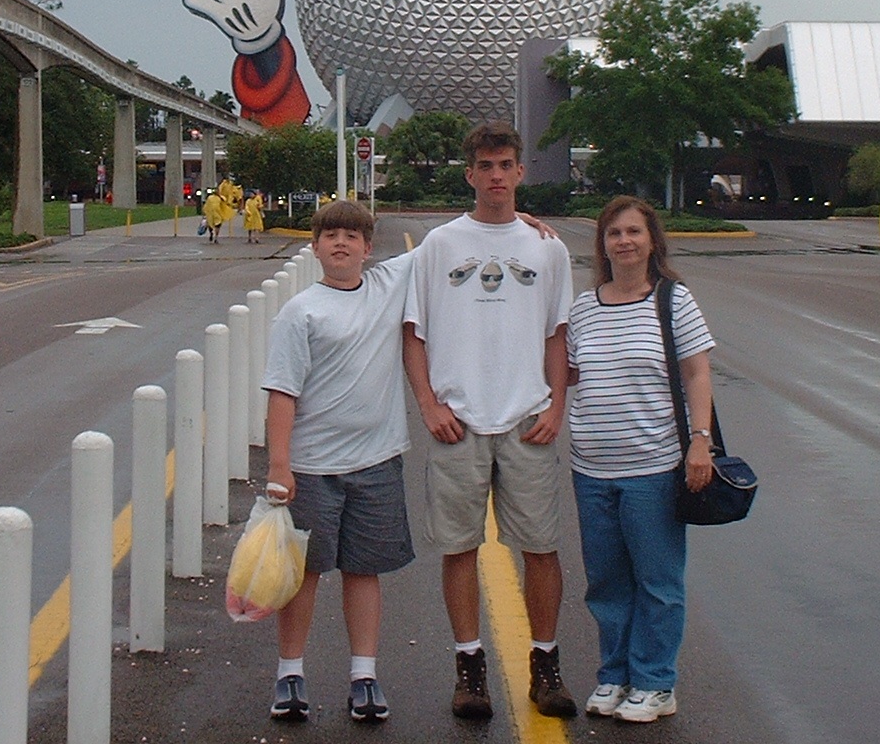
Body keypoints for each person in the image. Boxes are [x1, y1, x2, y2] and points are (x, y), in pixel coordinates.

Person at [403, 121, 577, 720]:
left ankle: (545, 664)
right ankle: (469, 667)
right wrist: (429, 404)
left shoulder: (547, 248)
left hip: (527, 418)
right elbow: (413, 331)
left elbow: (557, 333)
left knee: (542, 548)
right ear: (470, 174)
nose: (497, 176)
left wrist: (556, 405)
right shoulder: (439, 245)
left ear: (520, 171)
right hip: (459, 420)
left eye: (506, 165)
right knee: (459, 548)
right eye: (486, 166)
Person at [262, 200, 415, 723]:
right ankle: (290, 673)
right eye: (331, 236)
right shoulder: (300, 311)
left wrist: (517, 218)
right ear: (315, 247)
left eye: (352, 236)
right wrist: (279, 466)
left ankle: (364, 675)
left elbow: (458, 238)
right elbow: (282, 392)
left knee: (363, 570)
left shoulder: (387, 286)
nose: (342, 243)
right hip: (312, 467)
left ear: (369, 248)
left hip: (377, 462)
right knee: (303, 573)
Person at [565, 196, 714, 723]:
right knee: (606, 583)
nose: (624, 241)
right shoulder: (585, 307)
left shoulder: (673, 300)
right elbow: (568, 372)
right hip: (591, 469)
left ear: (652, 241)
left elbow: (697, 372)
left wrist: (700, 441)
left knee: (657, 581)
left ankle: (655, 682)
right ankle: (615, 675)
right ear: (602, 245)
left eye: (633, 232)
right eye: (614, 233)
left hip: (654, 467)